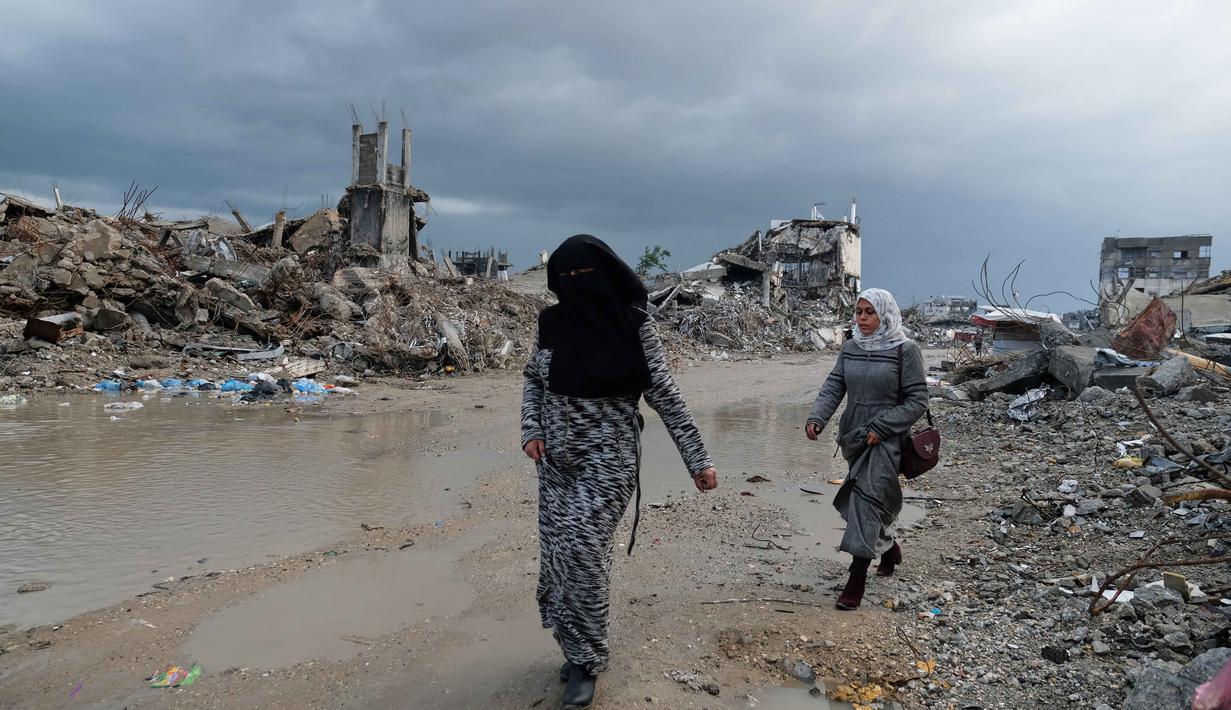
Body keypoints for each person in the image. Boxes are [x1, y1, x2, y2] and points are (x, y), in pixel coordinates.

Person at [521, 235, 719, 710]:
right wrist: (531, 428)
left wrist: (699, 460)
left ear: (607, 276)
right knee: (557, 557)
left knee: (583, 552)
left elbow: (665, 396)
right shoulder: (551, 323)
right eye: (566, 278)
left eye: (584, 276)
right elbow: (533, 378)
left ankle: (587, 664)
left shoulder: (635, 326)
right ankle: (572, 645)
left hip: (608, 461)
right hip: (556, 463)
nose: (575, 285)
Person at [804, 289, 927, 610]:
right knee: (868, 501)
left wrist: (883, 427)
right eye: (858, 311)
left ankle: (856, 578)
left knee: (865, 499)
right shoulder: (851, 347)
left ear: (885, 314)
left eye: (869, 312)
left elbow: (918, 401)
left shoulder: (905, 350)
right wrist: (817, 417)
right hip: (854, 438)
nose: (861, 318)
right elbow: (834, 385)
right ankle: (888, 548)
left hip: (888, 440)